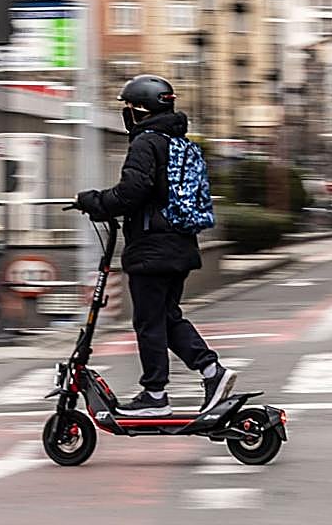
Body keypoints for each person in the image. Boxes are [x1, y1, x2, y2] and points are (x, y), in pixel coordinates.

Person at [74, 75, 234, 417]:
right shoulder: (180, 143)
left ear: (139, 110)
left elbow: (133, 192)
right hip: (179, 243)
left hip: (152, 248)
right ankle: (212, 372)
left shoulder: (146, 143)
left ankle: (155, 395)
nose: (126, 114)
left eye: (128, 108)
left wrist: (95, 201)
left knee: (148, 321)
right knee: (166, 317)